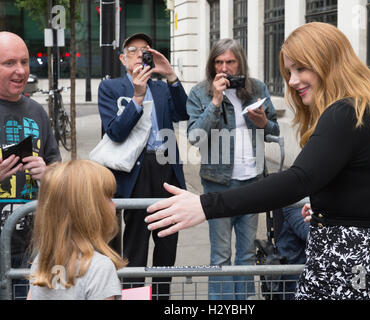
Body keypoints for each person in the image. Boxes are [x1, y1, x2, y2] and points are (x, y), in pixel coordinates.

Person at [145, 22, 370, 300]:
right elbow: (361, 185)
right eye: (289, 71)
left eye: (301, 68)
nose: (293, 81)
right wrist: (325, 209)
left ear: (328, 61)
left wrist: (204, 205)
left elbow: (299, 178)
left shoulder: (344, 112)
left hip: (349, 268)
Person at [97, 33, 188, 299]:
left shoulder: (161, 88)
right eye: (133, 50)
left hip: (166, 167)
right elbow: (115, 132)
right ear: (122, 58)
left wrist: (170, 74)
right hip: (135, 172)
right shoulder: (111, 88)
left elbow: (183, 113)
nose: (140, 54)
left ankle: (162, 298)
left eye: (145, 50)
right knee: (135, 246)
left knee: (167, 245)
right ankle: (134, 296)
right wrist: (137, 97)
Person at [186, 38, 279, 300]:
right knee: (221, 254)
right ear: (211, 64)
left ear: (240, 63)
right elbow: (195, 137)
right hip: (219, 184)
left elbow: (274, 130)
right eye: (219, 62)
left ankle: (245, 302)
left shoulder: (257, 88)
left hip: (252, 183)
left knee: (247, 252)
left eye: (230, 62)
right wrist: (215, 102)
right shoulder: (200, 93)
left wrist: (263, 123)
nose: (224, 68)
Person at [0, 31, 61, 299]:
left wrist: (48, 174)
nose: (21, 71)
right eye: (10, 63)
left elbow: (57, 168)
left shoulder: (37, 112)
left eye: (24, 62)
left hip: (31, 247)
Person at [27, 160, 126, 300]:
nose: (114, 204)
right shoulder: (100, 268)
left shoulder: (41, 261)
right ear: (90, 210)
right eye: (109, 197)